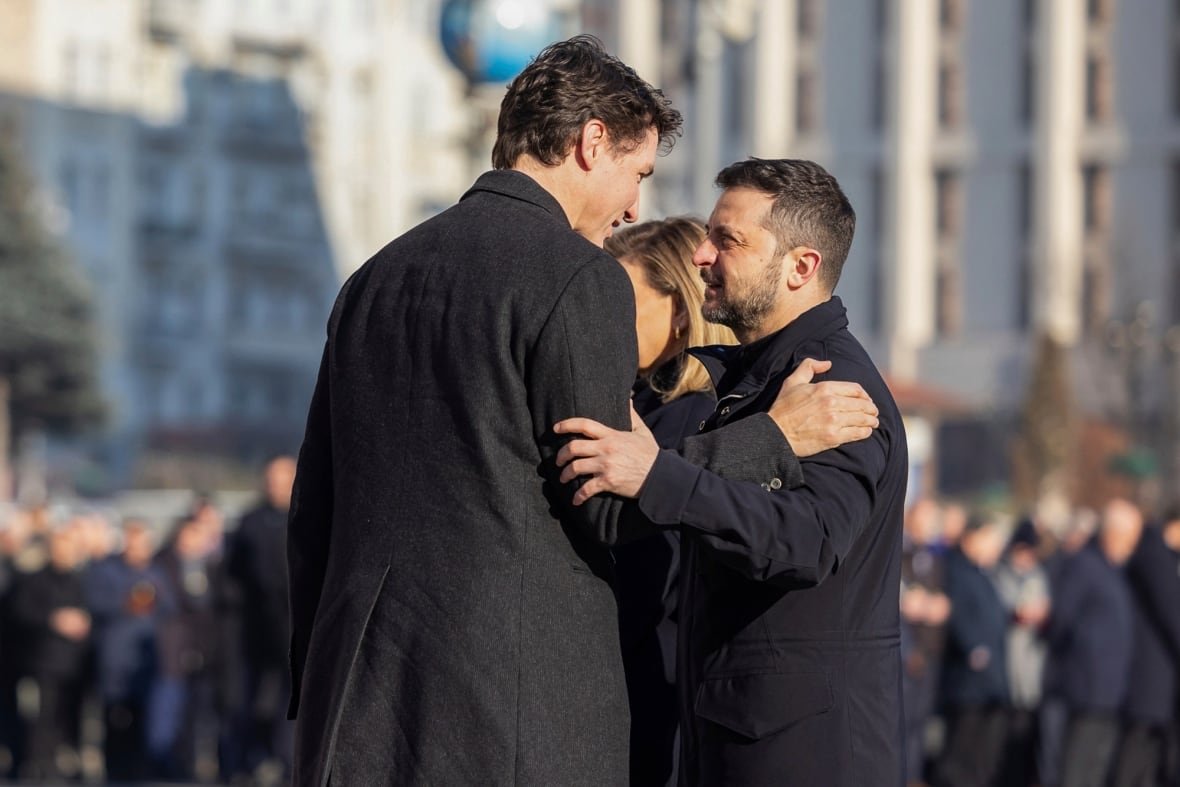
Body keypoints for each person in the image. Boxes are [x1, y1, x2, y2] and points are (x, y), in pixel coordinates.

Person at [286, 38, 877, 786]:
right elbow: (607, 497)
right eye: (639, 173)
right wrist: (771, 438)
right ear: (592, 141)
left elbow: (313, 508)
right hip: (512, 712)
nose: (636, 206)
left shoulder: (373, 277)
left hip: (355, 705)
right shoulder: (578, 279)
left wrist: (314, 681)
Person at [555, 158, 907, 786]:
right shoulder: (759, 377)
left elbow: (807, 541)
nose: (702, 256)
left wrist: (656, 476)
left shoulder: (830, 384)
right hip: (736, 743)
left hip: (799, 756)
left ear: (802, 267)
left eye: (729, 240)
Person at [606, 217, 734, 786]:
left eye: (620, 308)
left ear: (681, 311)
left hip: (648, 703)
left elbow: (644, 576)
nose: (601, 326)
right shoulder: (648, 408)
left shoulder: (686, 421)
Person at [1043, 498, 1141, 787]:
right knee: (1077, 769)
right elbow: (1062, 617)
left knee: (1097, 767)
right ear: (1113, 534)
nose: (1131, 546)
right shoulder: (1085, 564)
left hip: (1112, 689)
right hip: (1086, 686)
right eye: (1128, 538)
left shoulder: (1114, 569)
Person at [226, 456, 296, 782]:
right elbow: (232, 575)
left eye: (283, 480)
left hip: (295, 624)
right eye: (271, 480)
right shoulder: (250, 522)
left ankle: (288, 760)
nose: (276, 487)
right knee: (248, 697)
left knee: (292, 698)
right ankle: (246, 759)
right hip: (254, 626)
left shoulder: (308, 515)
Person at [934, 512, 1011, 787]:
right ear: (973, 537)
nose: (996, 546)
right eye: (991, 538)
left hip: (991, 683)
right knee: (959, 758)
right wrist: (974, 650)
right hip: (968, 683)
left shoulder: (985, 573)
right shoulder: (955, 568)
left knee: (984, 759)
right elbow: (958, 617)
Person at [1111, 509, 1180, 787]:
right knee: (1138, 754)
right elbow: (1173, 613)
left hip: (1156, 676)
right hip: (1151, 675)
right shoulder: (1155, 556)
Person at [899, 498, 951, 786]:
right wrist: (914, 603)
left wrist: (940, 605)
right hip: (907, 650)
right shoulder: (899, 550)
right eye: (927, 518)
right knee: (903, 722)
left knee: (921, 721)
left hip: (931, 650)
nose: (932, 526)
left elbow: (940, 598)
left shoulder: (935, 556)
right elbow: (905, 599)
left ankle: (915, 776)